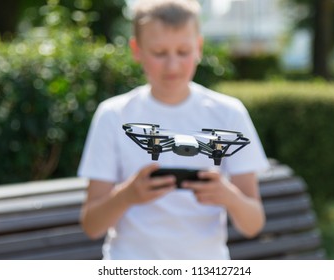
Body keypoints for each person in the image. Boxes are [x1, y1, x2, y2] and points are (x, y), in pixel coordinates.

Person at [78, 0, 269, 260]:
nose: (172, 66)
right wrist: (128, 195)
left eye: (183, 52)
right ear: (137, 49)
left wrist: (229, 197)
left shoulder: (229, 113)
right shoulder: (113, 116)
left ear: (199, 47)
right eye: (159, 53)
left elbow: (253, 223)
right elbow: (92, 225)